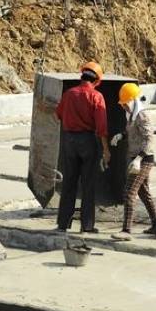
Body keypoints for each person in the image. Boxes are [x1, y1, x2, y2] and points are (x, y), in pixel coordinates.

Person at [54, 61, 111, 233]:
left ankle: (63, 224)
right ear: (97, 81)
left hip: (69, 141)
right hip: (87, 141)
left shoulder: (69, 93)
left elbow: (58, 114)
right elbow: (101, 128)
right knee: (88, 184)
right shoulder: (96, 97)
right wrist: (106, 150)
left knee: (69, 183)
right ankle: (87, 226)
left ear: (81, 77)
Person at [111, 83, 156, 241]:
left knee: (129, 193)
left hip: (143, 160)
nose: (123, 106)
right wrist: (121, 136)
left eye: (125, 103)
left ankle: (126, 231)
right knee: (144, 193)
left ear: (132, 101)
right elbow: (131, 131)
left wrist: (139, 158)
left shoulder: (142, 115)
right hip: (135, 158)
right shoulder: (131, 115)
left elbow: (149, 139)